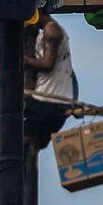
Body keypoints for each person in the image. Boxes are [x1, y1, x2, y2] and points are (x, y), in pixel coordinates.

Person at [23, 11, 77, 148]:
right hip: (59, 102)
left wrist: (24, 61)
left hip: (47, 101)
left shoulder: (52, 30)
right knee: (32, 148)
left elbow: (47, 64)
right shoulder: (43, 33)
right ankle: (28, 169)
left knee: (18, 140)